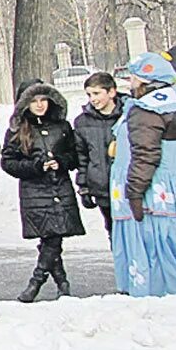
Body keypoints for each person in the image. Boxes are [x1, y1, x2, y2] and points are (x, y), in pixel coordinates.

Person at [111, 51, 176, 297]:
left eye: (133, 78)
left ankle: (165, 293)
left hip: (158, 197)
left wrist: (134, 192)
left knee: (161, 249)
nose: (130, 83)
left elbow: (145, 155)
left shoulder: (146, 109)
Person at [0, 81, 84, 302]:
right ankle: (58, 281)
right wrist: (35, 167)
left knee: (52, 237)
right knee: (50, 236)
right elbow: (8, 162)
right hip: (34, 191)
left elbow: (76, 155)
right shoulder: (17, 130)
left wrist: (62, 162)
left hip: (60, 188)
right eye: (34, 101)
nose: (39, 105)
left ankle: (39, 282)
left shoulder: (62, 127)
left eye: (43, 100)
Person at [73, 72, 122, 241]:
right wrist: (83, 186)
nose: (93, 99)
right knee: (113, 229)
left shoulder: (129, 115)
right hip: (101, 185)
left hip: (127, 184)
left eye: (97, 93)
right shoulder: (82, 122)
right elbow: (82, 156)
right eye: (89, 94)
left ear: (111, 92)